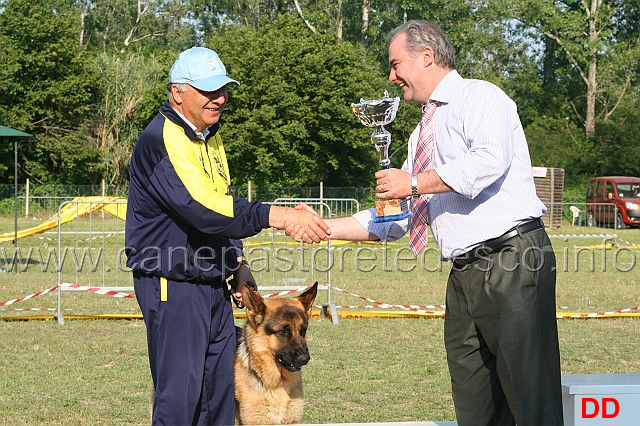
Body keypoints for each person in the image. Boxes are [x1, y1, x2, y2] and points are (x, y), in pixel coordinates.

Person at [290, 20, 563, 426]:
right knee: (475, 406)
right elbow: (396, 219)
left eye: (395, 64)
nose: (391, 75)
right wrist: (324, 227)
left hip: (512, 261)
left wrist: (414, 182)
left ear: (426, 57)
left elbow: (488, 162)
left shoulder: (482, 97)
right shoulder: (420, 135)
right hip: (464, 276)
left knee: (531, 402)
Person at [125, 46, 330, 425]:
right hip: (173, 283)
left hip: (211, 285)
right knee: (181, 400)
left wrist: (238, 263)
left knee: (218, 398)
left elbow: (224, 204)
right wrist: (278, 215)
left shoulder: (208, 135)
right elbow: (202, 208)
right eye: (207, 90)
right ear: (178, 93)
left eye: (222, 89)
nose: (218, 98)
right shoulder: (163, 138)